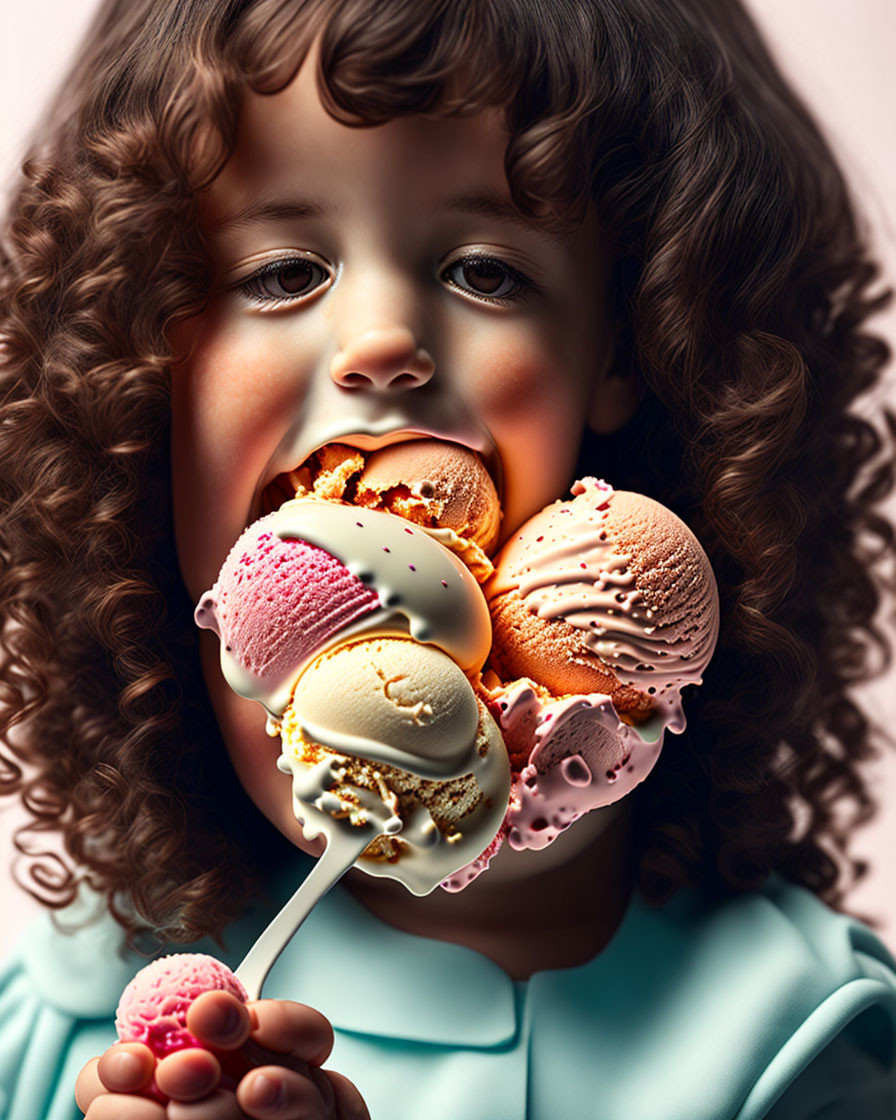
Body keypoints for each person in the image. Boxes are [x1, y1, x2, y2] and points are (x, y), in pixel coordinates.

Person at [1, 0, 894, 1117]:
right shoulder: (65, 1016)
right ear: (146, 379)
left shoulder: (796, 1042)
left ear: (624, 346)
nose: (378, 340)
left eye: (485, 270)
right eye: (281, 272)